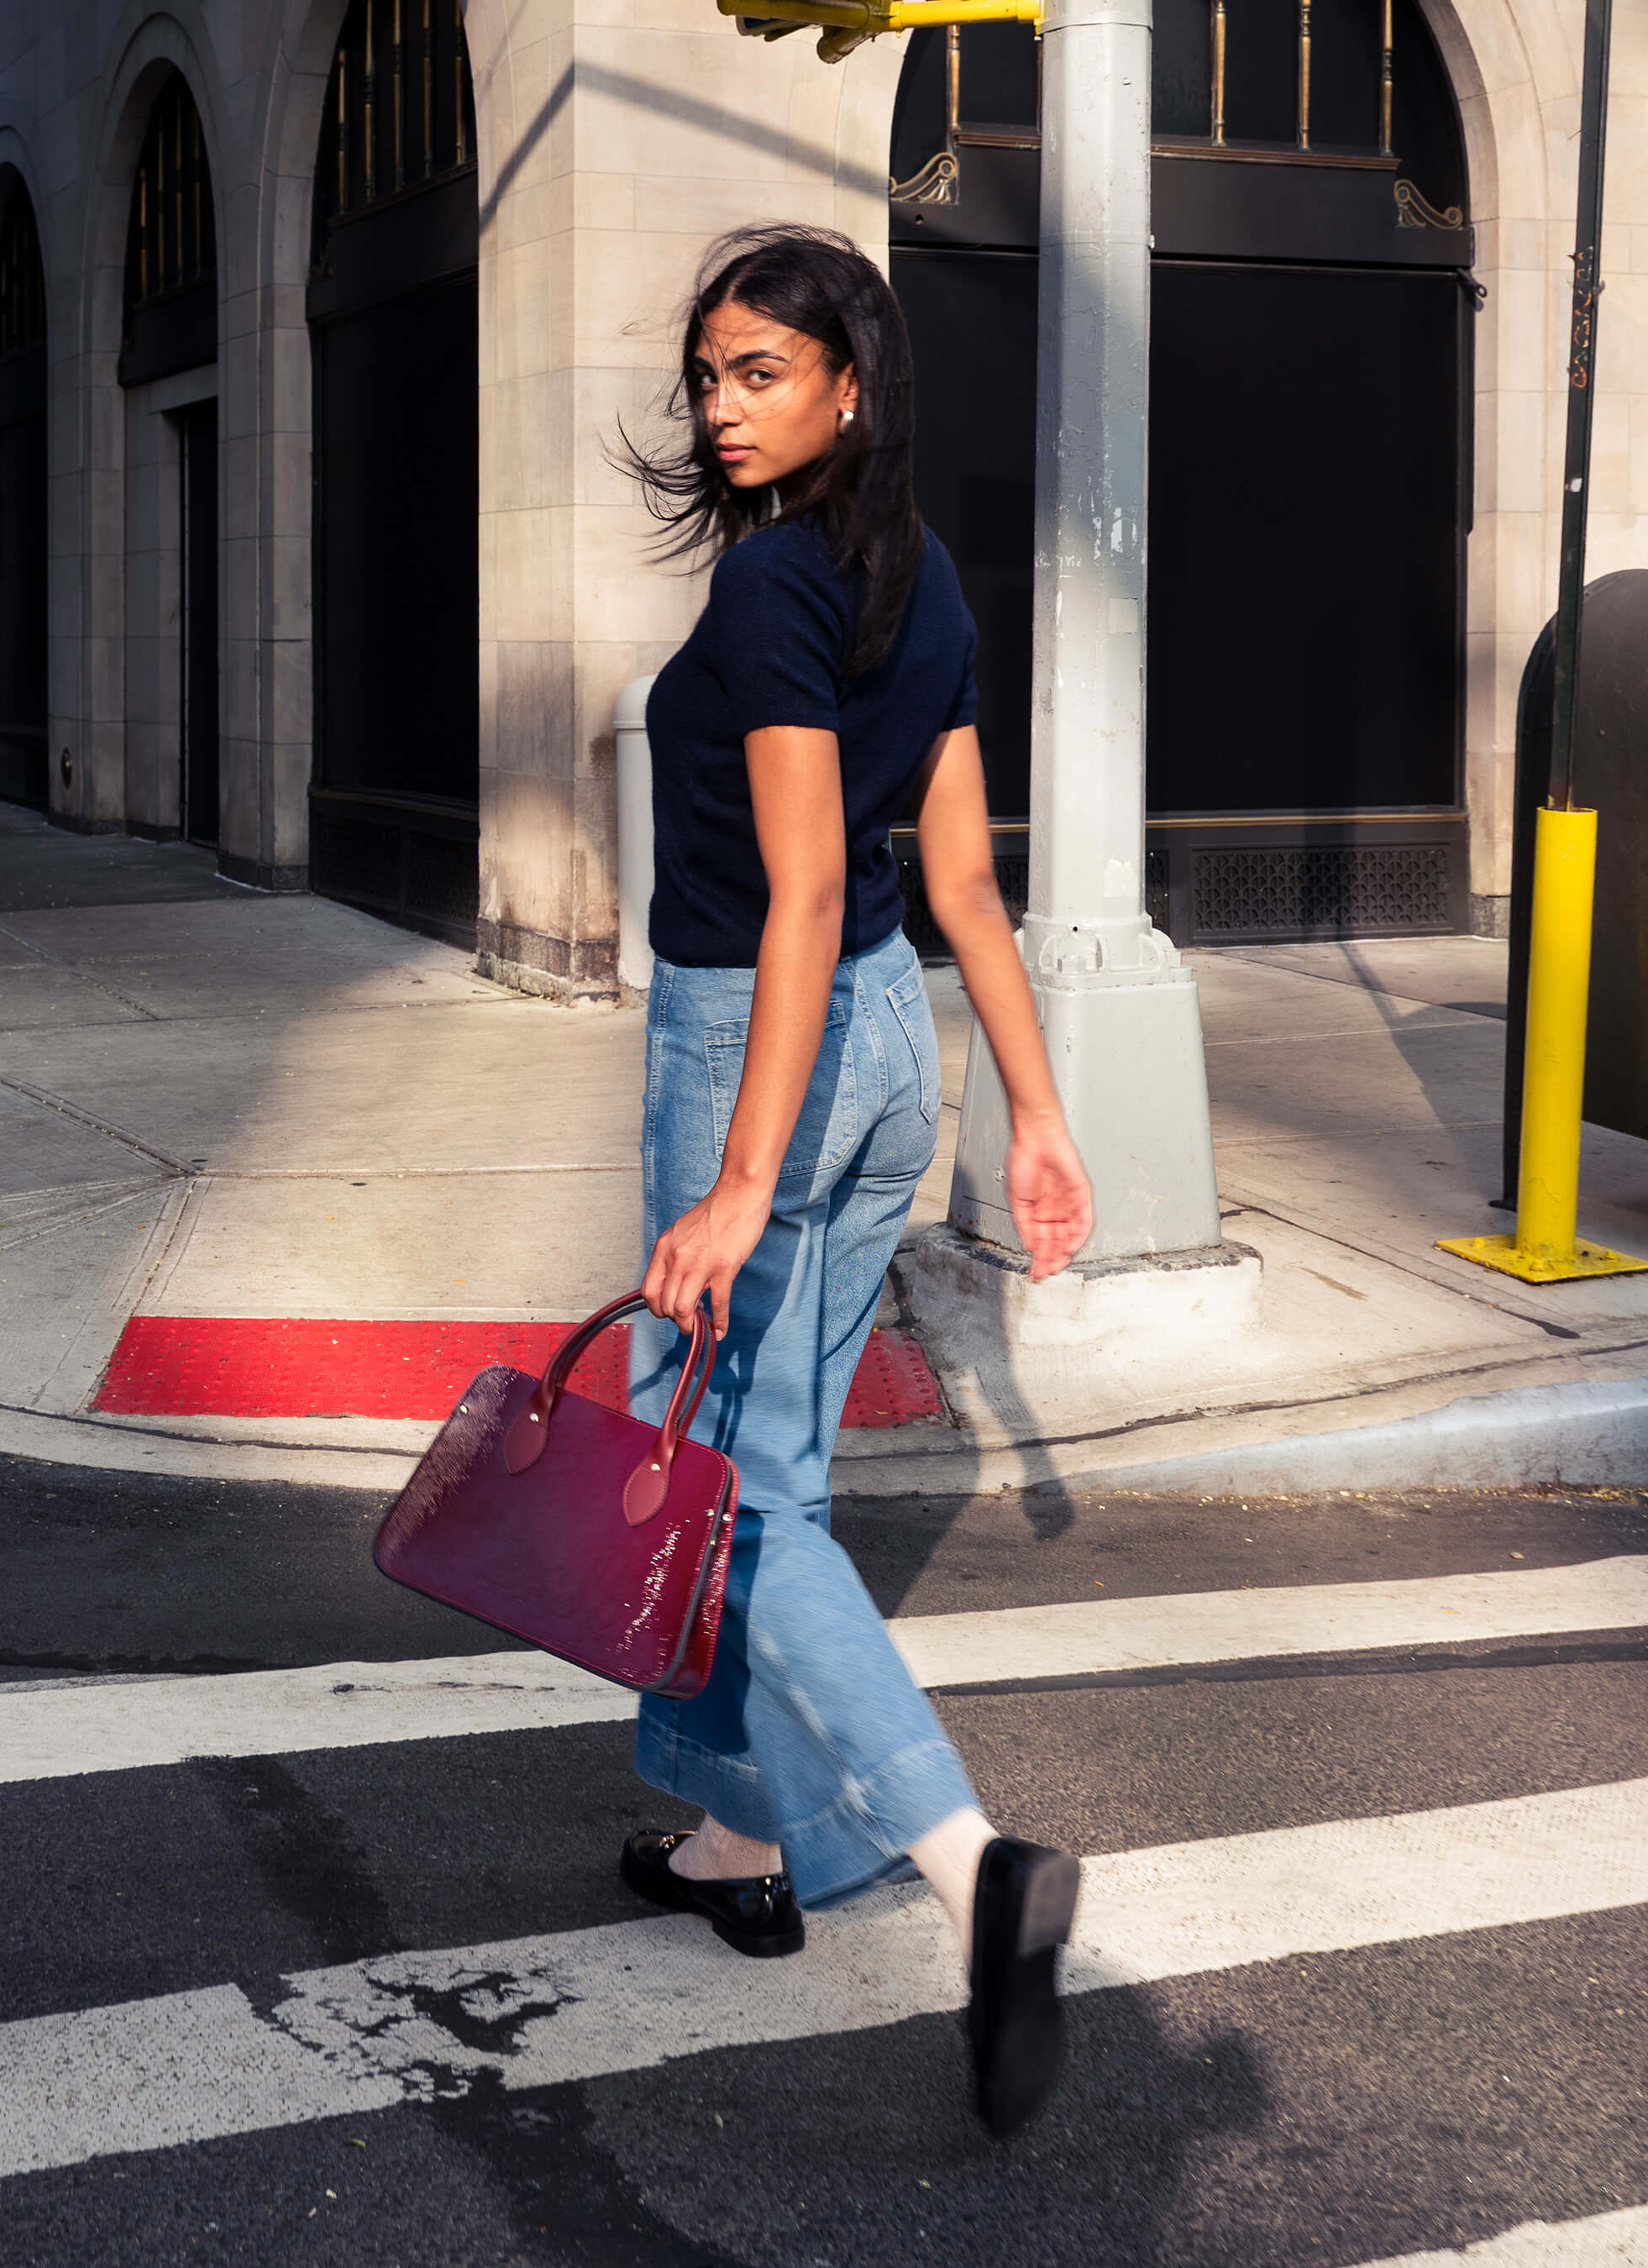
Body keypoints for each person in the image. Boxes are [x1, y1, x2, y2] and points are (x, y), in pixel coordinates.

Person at [616, 224, 1094, 2139]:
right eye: (709, 375)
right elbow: (960, 880)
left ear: (849, 384)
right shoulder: (923, 568)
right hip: (888, 1038)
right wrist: (1032, 1114)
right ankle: (743, 1839)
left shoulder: (770, 591)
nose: (722, 409)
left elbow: (807, 887)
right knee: (774, 1468)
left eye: (760, 374)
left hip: (764, 1035)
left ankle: (972, 1868)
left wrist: (739, 1178)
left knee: (719, 1487)